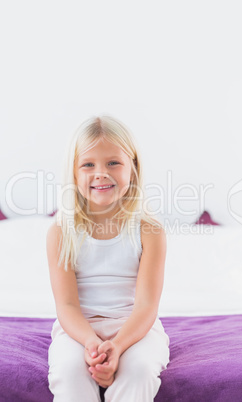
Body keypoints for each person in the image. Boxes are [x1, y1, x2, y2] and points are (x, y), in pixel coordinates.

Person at [46, 115, 170, 402]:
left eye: (113, 162)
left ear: (133, 169)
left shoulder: (149, 230)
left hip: (136, 330)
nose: (100, 173)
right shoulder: (61, 231)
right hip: (78, 330)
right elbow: (66, 305)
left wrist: (117, 345)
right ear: (74, 173)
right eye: (88, 164)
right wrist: (91, 344)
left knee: (138, 371)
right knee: (68, 372)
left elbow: (147, 305)